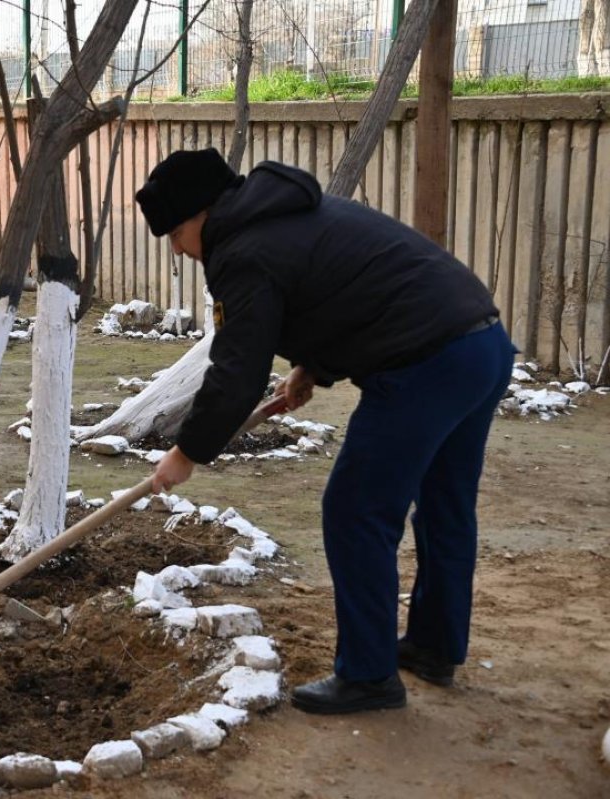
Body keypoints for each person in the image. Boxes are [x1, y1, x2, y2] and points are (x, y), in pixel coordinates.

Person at [135, 148, 515, 715]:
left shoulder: (242, 250)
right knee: (445, 505)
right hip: (480, 345)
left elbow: (237, 369)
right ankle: (435, 647)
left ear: (199, 215)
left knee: (356, 510)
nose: (177, 248)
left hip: (425, 365)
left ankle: (367, 677)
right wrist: (311, 366)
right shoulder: (288, 214)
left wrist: (188, 451)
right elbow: (345, 289)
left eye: (174, 232)